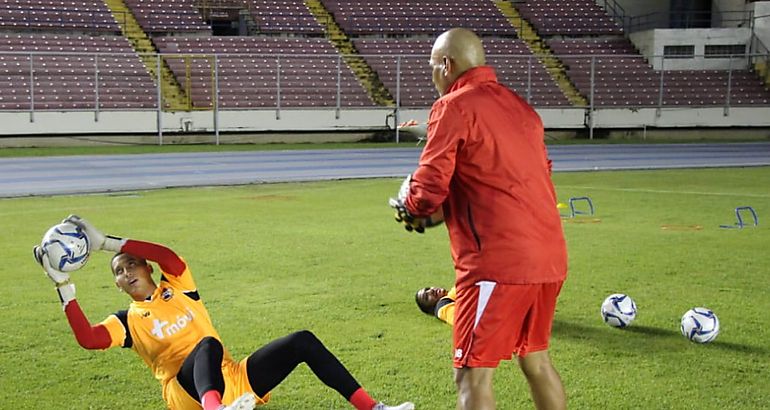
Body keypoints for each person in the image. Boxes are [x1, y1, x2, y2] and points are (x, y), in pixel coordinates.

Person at [33, 215, 415, 410]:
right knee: (206, 345)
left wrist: (106, 244)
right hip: (186, 395)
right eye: (118, 271)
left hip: (229, 380)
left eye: (131, 264)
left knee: (302, 342)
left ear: (147, 267)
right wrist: (63, 286)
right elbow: (88, 339)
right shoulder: (127, 320)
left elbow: (168, 254)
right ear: (116, 284)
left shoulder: (178, 286)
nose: (126, 272)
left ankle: (373, 407)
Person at [391, 28, 568, 410]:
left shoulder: (454, 106)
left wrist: (413, 207)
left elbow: (430, 184)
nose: (433, 77)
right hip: (549, 257)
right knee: (535, 360)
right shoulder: (522, 109)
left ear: (446, 65)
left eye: (432, 68)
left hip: (497, 263)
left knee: (472, 374)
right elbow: (531, 176)